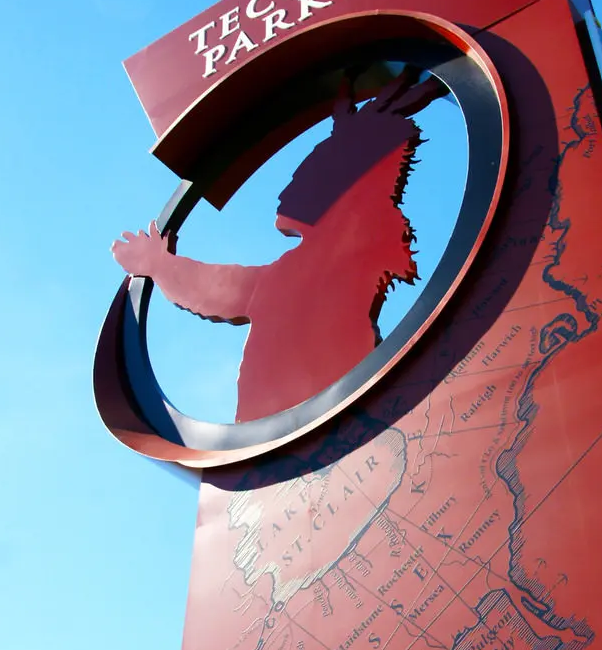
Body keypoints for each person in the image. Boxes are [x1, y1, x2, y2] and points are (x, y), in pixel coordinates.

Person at [112, 68, 442, 423]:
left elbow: (220, 290)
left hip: (306, 430)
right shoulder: (331, 267)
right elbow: (221, 288)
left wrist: (160, 266)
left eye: (304, 181)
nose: (286, 194)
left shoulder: (314, 273)